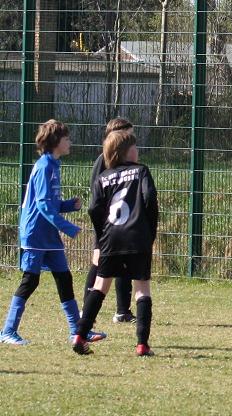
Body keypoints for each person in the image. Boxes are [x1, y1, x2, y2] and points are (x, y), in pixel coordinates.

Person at [0, 120, 106, 346]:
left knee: (65, 279)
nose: (70, 142)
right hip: (35, 234)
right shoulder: (44, 167)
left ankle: (78, 331)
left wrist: (68, 205)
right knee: (30, 281)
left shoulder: (54, 165)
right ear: (55, 141)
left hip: (49, 235)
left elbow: (50, 202)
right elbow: (42, 205)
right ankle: (8, 331)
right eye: (66, 138)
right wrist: (68, 227)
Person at [72, 129, 159, 356]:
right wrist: (150, 232)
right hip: (137, 238)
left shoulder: (103, 177)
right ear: (126, 151)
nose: (137, 150)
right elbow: (149, 199)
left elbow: (93, 209)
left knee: (100, 285)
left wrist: (102, 235)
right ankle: (142, 344)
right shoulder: (141, 171)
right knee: (142, 289)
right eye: (135, 146)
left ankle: (79, 335)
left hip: (110, 238)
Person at [85, 117, 136, 324]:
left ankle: (123, 311)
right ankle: (86, 308)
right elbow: (96, 198)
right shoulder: (103, 160)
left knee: (124, 263)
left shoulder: (127, 163)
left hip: (122, 222)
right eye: (129, 135)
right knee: (99, 263)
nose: (133, 139)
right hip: (107, 224)